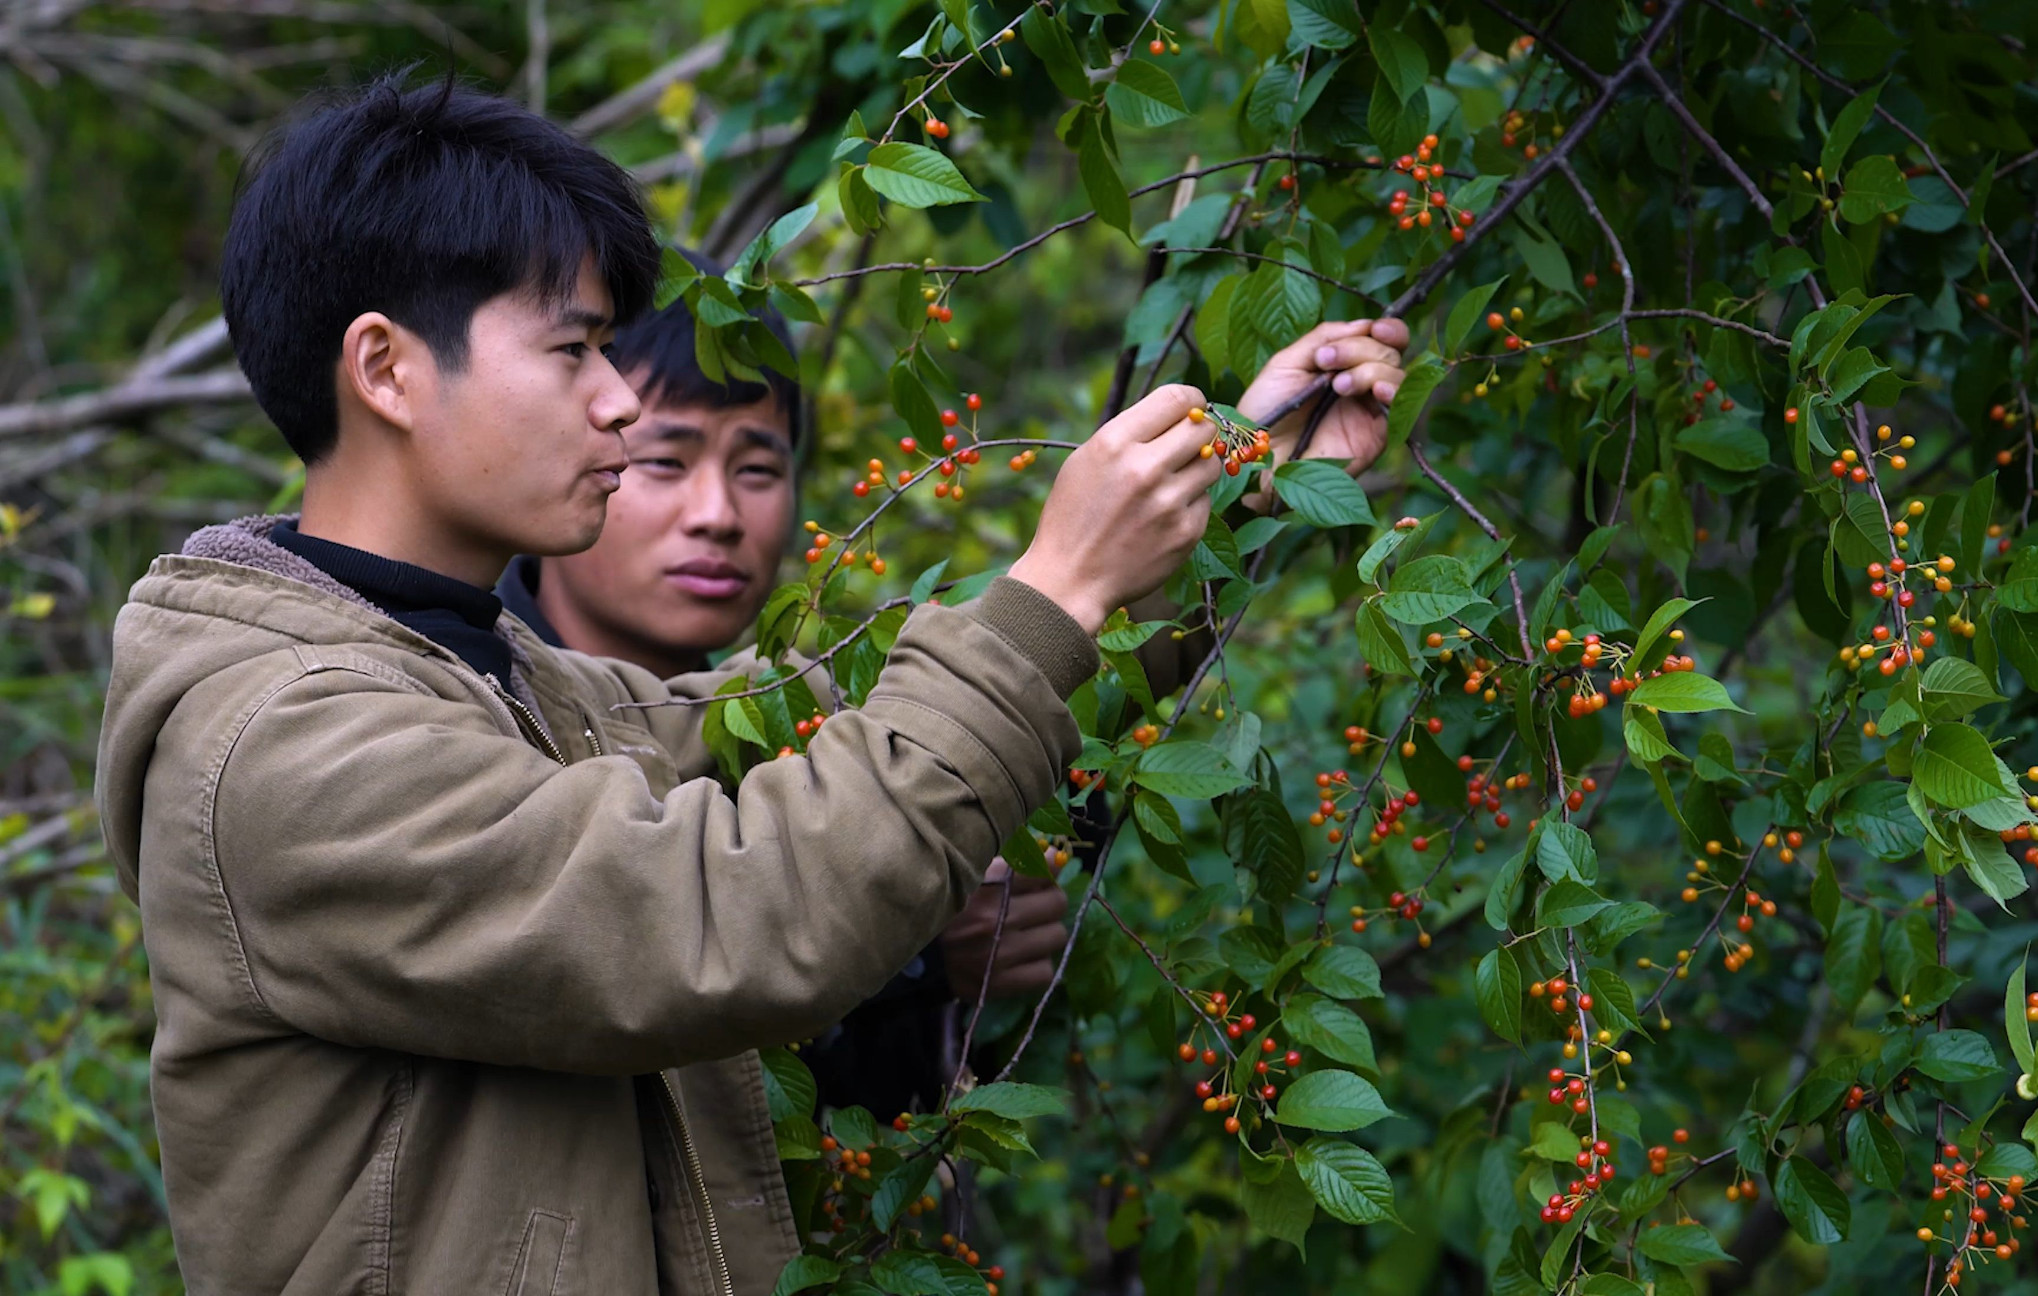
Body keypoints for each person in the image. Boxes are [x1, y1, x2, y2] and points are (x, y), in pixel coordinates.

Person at [93, 76, 1408, 1296]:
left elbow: (842, 719)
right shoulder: (281, 743)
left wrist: (1236, 485)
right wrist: (1055, 585)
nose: (616, 401)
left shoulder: (505, 679)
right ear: (385, 368)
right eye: (573, 352)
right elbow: (723, 911)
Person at [493, 256, 1073, 1121]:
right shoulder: (474, 709)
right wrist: (905, 947)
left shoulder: (824, 712)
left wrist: (1235, 479)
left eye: (757, 469)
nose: (717, 513)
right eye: (664, 460)